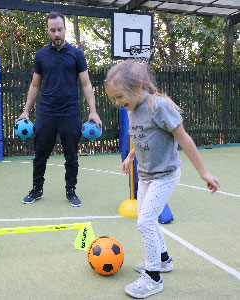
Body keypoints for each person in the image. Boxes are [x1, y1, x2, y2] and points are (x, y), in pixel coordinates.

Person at [104, 59, 220, 299]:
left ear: (137, 86)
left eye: (119, 96)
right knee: (148, 219)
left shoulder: (158, 106)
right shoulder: (132, 108)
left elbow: (184, 139)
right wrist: (130, 157)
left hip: (165, 176)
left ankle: (153, 278)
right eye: (114, 98)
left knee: (145, 222)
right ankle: (164, 260)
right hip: (146, 175)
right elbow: (143, 136)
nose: (117, 103)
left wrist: (203, 172)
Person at [16, 11, 102, 207]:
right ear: (48, 31)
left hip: (69, 112)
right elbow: (35, 85)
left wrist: (93, 111)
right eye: (53, 30)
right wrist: (26, 111)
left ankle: (70, 191)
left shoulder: (77, 55)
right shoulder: (41, 55)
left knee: (71, 156)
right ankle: (37, 189)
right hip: (46, 112)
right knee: (40, 155)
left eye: (60, 29)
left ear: (65, 29)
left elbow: (86, 84)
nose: (57, 33)